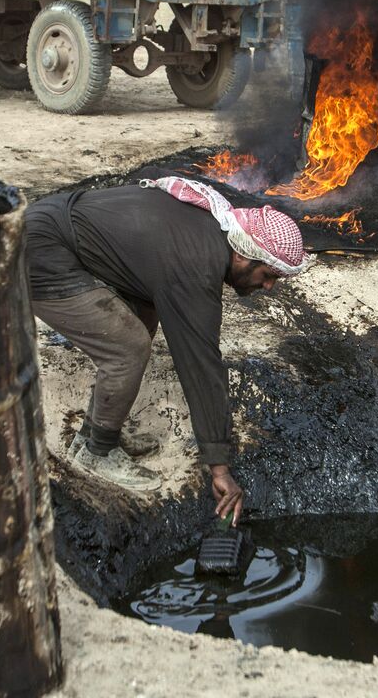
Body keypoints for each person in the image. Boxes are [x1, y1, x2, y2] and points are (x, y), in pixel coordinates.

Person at [25, 174, 309, 525]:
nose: (267, 286)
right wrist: (218, 467)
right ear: (244, 255)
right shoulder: (196, 263)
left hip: (49, 227)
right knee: (127, 348)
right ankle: (97, 452)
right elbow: (203, 368)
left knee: (143, 316)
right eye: (268, 275)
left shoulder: (210, 230)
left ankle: (97, 429)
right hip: (40, 255)